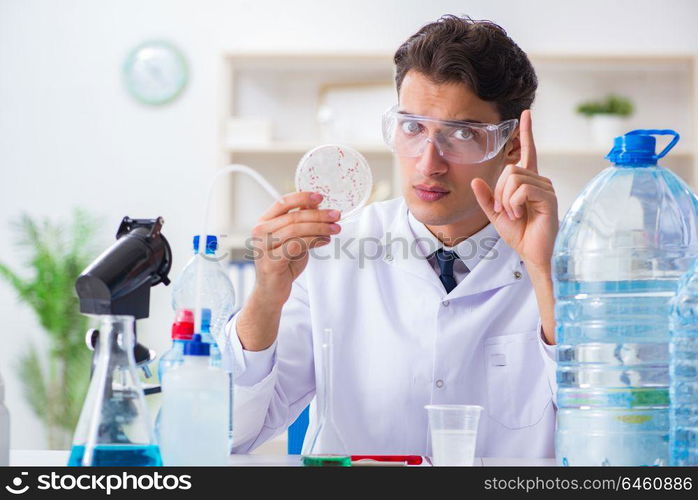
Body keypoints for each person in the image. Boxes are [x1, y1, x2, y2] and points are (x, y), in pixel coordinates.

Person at [224, 15, 559, 458]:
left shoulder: (564, 259)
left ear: (511, 146)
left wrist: (543, 272)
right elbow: (234, 431)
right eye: (413, 127)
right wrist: (266, 295)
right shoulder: (331, 251)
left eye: (461, 134)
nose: (428, 163)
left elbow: (609, 433)